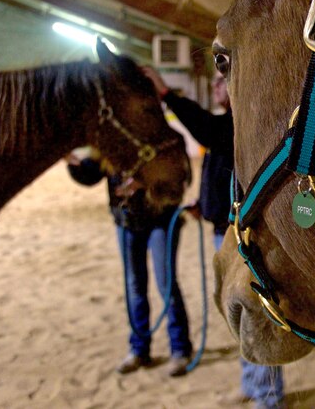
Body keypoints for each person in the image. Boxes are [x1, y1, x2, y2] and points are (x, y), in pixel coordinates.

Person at [143, 67, 286, 409]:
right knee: (240, 315)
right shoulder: (229, 125)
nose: (214, 85)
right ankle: (253, 385)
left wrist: (167, 94)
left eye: (220, 80)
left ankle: (269, 397)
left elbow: (209, 132)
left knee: (257, 315)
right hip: (224, 233)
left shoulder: (242, 123)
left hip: (244, 236)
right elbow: (223, 170)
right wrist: (203, 204)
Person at [66, 147, 193, 378]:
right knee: (135, 286)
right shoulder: (109, 145)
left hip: (160, 219)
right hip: (126, 221)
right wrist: (71, 162)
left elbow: (180, 178)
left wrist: (145, 185)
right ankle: (139, 349)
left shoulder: (158, 141)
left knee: (166, 285)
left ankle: (180, 349)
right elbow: (90, 175)